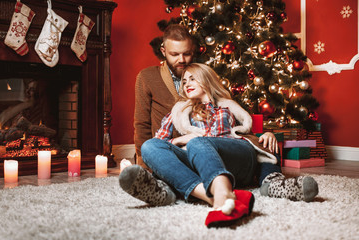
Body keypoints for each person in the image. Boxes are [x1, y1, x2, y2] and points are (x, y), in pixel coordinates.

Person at [120, 63, 319, 228]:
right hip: (198, 163)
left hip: (236, 157)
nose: (187, 83)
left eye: (193, 78)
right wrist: (173, 145)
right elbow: (161, 144)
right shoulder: (177, 112)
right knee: (150, 146)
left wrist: (266, 133)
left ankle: (223, 194)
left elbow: (248, 133)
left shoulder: (228, 107)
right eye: (185, 80)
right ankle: (212, 198)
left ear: (207, 79)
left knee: (198, 142)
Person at [133, 24, 195, 169]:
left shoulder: (203, 76)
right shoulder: (147, 77)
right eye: (174, 54)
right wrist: (144, 162)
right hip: (164, 151)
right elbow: (141, 123)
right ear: (163, 51)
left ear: (193, 51)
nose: (181, 60)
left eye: (186, 54)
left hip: (198, 149)